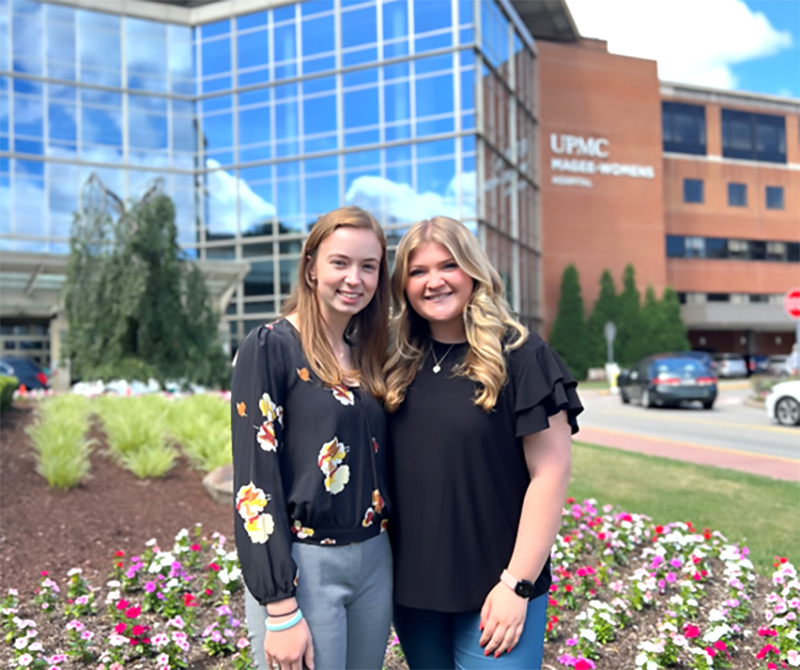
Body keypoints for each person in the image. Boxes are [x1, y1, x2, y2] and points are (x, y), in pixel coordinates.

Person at [384, 216, 583, 670]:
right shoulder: (394, 365)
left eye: (448, 266)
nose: (434, 281)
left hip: (499, 591)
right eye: (418, 272)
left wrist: (518, 584)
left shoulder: (523, 356)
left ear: (473, 270)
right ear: (404, 285)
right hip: (413, 595)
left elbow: (550, 476)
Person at [231, 206, 393, 670]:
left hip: (375, 562)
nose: (354, 278)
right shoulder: (270, 348)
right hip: (306, 566)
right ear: (311, 266)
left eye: (369, 266)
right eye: (340, 262)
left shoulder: (369, 354)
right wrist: (280, 608)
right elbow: (253, 487)